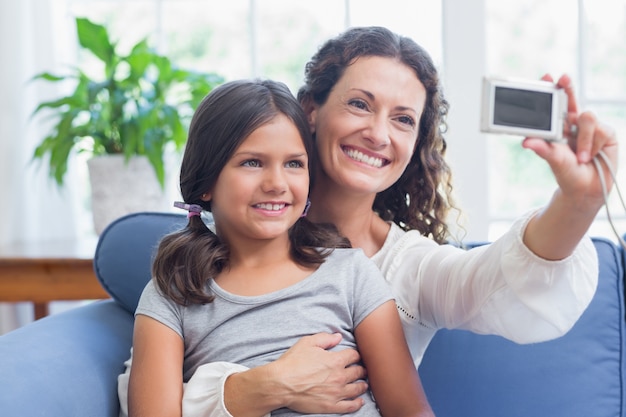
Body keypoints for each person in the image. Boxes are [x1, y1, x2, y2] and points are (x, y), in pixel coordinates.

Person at [119, 26, 618, 416]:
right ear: (310, 111)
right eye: (360, 104)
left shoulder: (388, 270)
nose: (378, 133)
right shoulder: (189, 276)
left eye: (403, 118)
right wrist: (265, 385)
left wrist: (577, 201)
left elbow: (497, 282)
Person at [125, 79, 434, 417]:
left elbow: (410, 411)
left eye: (293, 164)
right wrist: (269, 387)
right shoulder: (174, 292)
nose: (276, 184)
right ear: (206, 182)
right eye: (252, 162)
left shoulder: (351, 274)